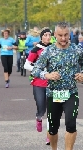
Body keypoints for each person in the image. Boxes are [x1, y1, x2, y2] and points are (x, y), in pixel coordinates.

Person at [32, 22, 83, 150]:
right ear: (55, 35)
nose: (64, 38)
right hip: (53, 94)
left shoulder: (77, 50)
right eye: (60, 35)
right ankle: (54, 148)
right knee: (53, 128)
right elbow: (35, 69)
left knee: (71, 124)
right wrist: (47, 75)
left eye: (66, 35)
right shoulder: (48, 51)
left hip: (71, 93)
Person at [24, 27, 52, 145]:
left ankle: (50, 135)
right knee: (42, 108)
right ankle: (39, 117)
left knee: (52, 110)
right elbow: (26, 65)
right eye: (45, 35)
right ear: (41, 37)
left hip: (52, 83)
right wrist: (40, 71)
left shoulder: (54, 49)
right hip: (38, 82)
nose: (47, 37)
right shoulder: (36, 50)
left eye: (49, 35)